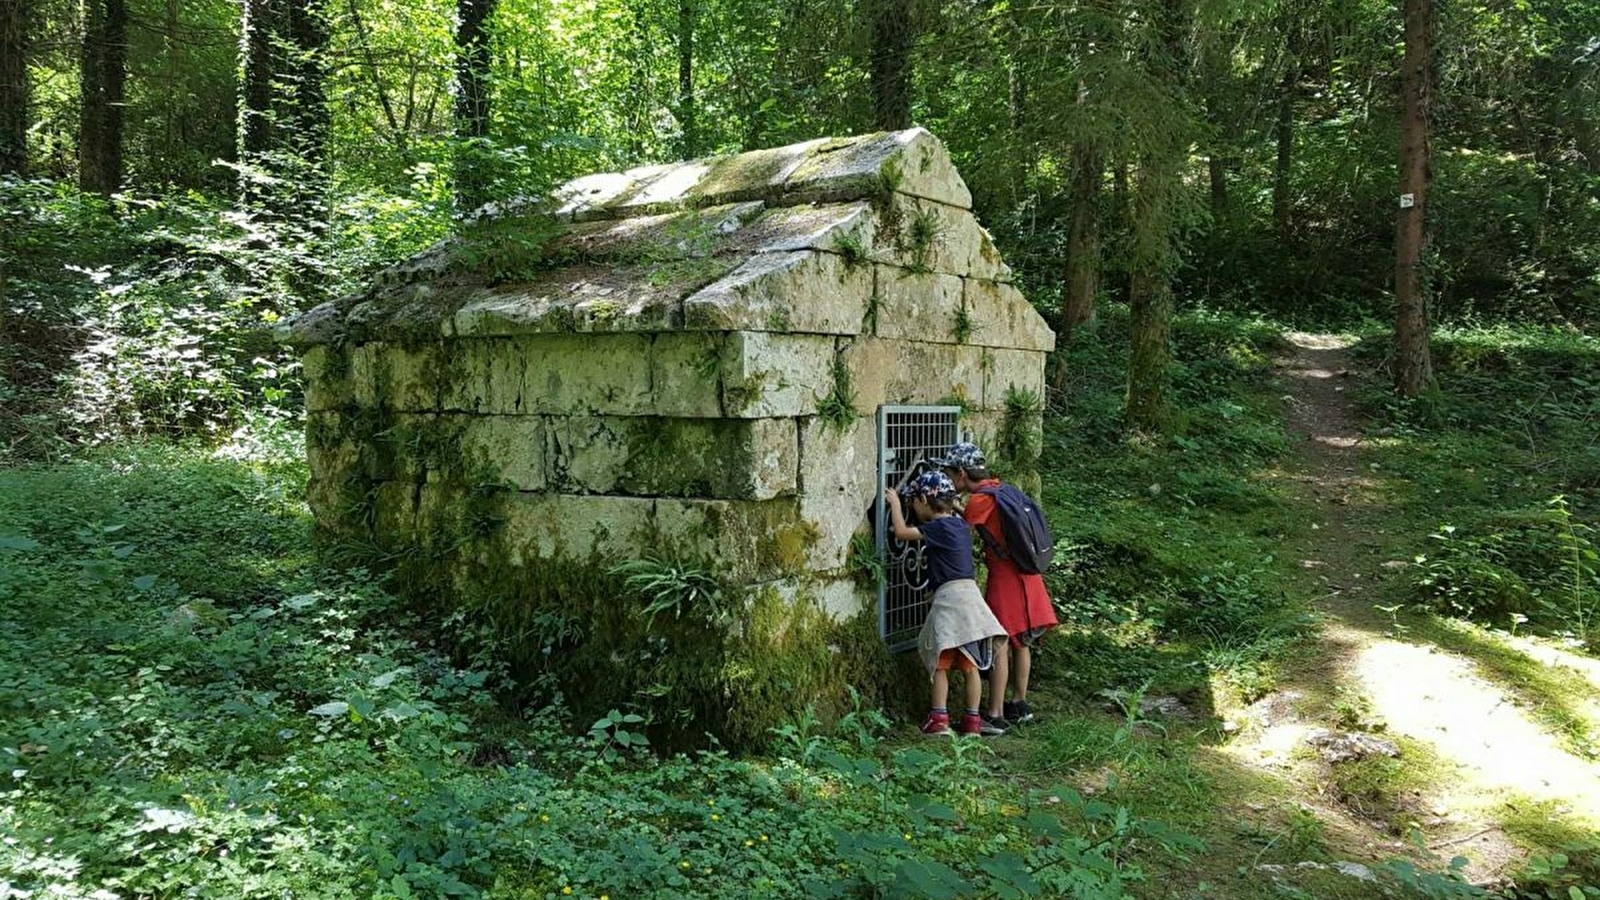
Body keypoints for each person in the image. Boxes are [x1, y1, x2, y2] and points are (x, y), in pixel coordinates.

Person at [937, 442, 1058, 726]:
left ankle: (994, 714)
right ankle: (1019, 703)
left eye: (951, 473)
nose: (949, 478)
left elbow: (962, 531)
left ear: (963, 473)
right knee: (1021, 641)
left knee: (998, 640)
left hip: (1005, 577)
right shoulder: (1003, 490)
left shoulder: (980, 500)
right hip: (1027, 572)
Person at [884, 471, 1008, 737]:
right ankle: (973, 721)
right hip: (971, 599)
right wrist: (956, 504)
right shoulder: (961, 525)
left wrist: (894, 503)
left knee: (940, 663)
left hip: (951, 601)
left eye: (913, 502)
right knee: (970, 666)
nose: (912, 507)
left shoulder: (938, 527)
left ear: (923, 500)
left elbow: (903, 532)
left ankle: (939, 717)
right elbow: (959, 514)